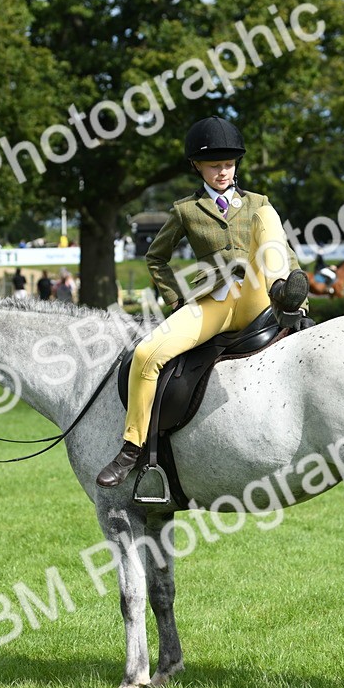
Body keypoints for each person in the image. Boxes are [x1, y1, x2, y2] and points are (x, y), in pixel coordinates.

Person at [97, 116, 310, 488]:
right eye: (214, 165)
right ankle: (131, 447)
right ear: (197, 166)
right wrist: (175, 298)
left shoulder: (258, 203)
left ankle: (283, 295)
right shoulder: (186, 209)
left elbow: (285, 252)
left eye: (228, 164)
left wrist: (298, 301)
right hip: (213, 300)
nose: (223, 171)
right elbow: (156, 257)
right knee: (146, 353)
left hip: (260, 293)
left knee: (267, 215)